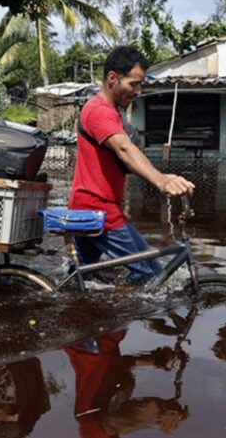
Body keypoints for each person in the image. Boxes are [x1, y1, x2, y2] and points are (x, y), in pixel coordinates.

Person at [69, 45, 195, 285]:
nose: (138, 91)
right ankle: (129, 318)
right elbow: (125, 149)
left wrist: (165, 176)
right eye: (133, 84)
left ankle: (76, 316)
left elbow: (129, 150)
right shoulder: (99, 112)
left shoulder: (108, 111)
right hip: (98, 211)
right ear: (112, 78)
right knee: (150, 272)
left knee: (80, 279)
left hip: (88, 208)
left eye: (141, 85)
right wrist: (161, 180)